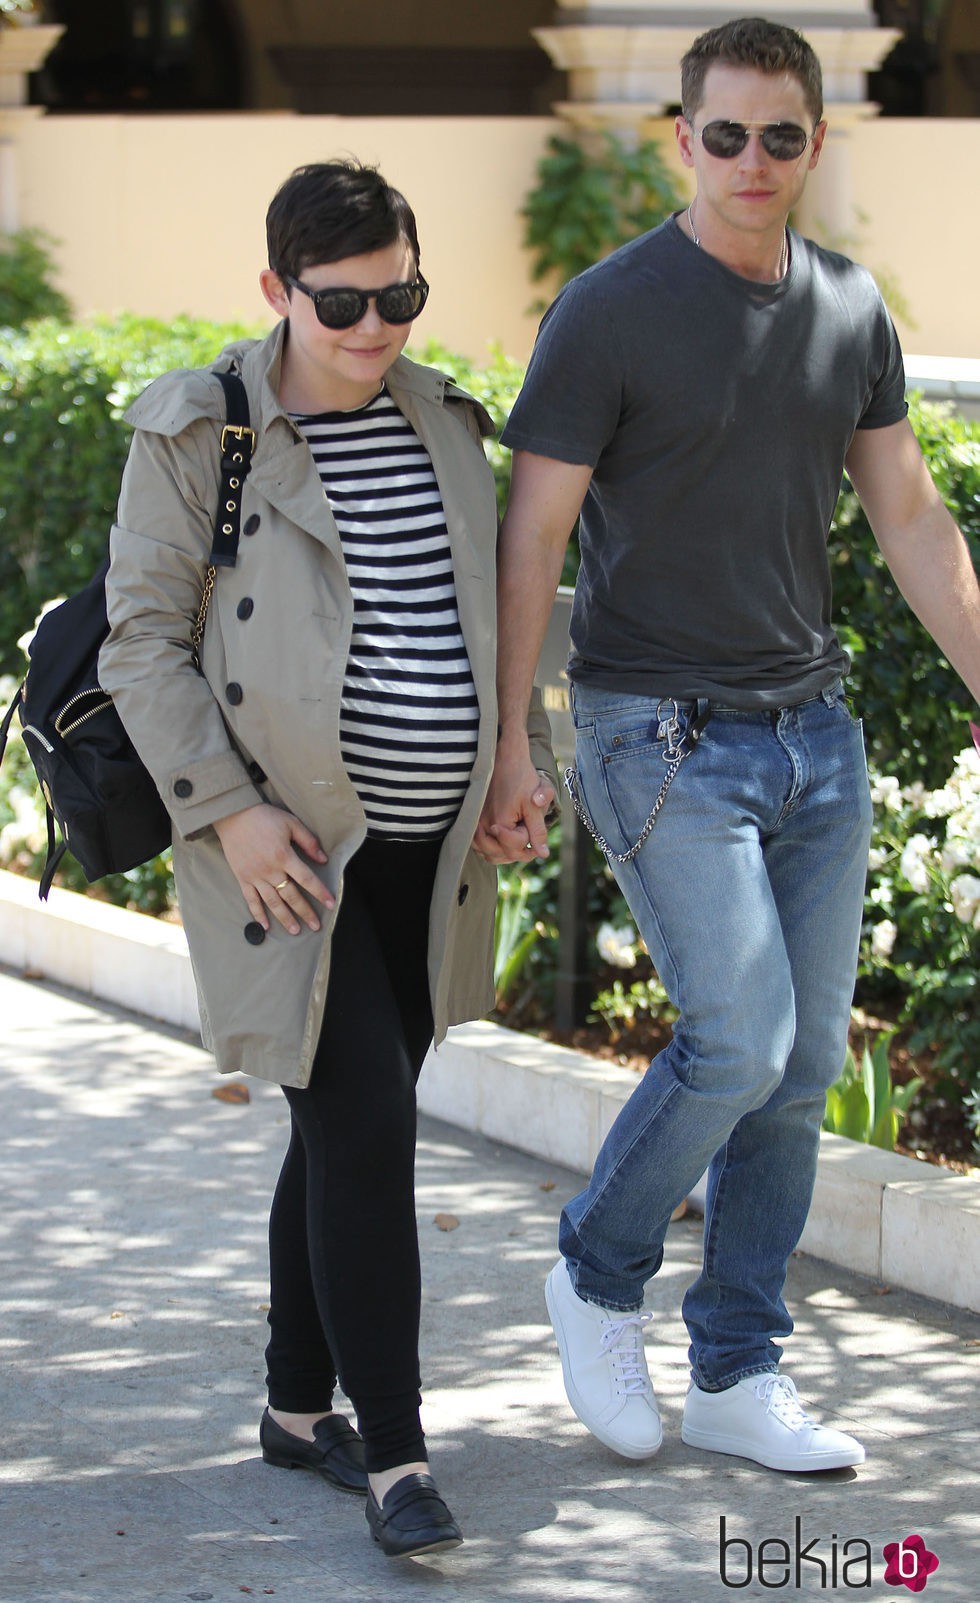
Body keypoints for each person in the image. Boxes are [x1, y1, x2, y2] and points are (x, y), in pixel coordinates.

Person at [475, 17, 980, 1473]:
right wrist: (517, 741)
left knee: (805, 1057)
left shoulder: (847, 306)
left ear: (815, 144)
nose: (753, 162)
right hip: (658, 733)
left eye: (781, 136)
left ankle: (739, 1370)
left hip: (813, 733)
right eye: (725, 134)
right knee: (738, 1037)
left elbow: (911, 518)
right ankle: (594, 1268)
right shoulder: (612, 308)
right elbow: (535, 537)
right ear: (680, 139)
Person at [99, 161, 556, 1558]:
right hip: (291, 853)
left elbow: (486, 618)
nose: (375, 327)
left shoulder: (445, 420)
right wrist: (229, 815)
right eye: (342, 303)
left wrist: (514, 758)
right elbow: (139, 641)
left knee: (336, 1115)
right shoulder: (206, 430)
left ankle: (299, 1413)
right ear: (277, 290)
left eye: (400, 296)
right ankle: (398, 1460)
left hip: (431, 851)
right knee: (367, 1123)